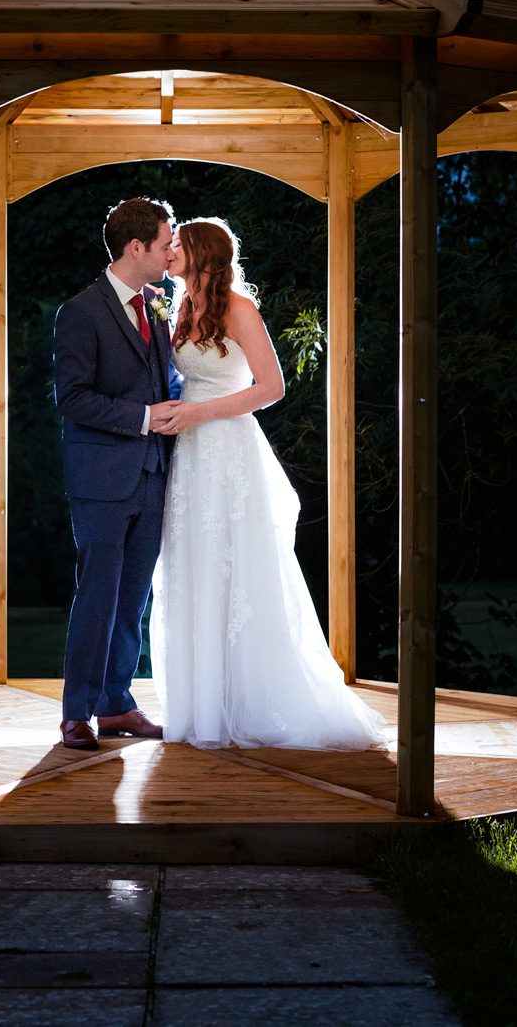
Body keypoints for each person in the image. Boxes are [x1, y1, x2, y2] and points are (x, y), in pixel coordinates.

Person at [148, 217, 389, 751]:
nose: (169, 252)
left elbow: (271, 387)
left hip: (228, 450)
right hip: (188, 456)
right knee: (193, 566)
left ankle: (252, 699)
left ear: (203, 252)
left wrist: (199, 413)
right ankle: (200, 704)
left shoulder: (239, 308)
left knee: (237, 567)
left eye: (178, 245)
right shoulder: (182, 309)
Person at [50, 197, 184, 750]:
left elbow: (166, 383)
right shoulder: (79, 312)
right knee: (98, 595)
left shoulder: (158, 303)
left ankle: (116, 705)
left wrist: (188, 406)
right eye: (166, 240)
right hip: (103, 480)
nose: (172, 248)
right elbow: (73, 399)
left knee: (133, 599)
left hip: (154, 474)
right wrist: (144, 418)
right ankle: (76, 712)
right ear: (137, 247)